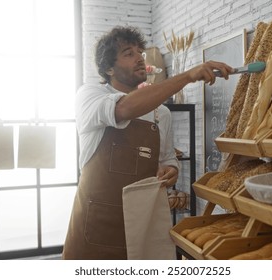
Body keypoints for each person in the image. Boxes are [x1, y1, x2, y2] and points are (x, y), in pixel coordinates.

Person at [62, 25, 233, 260]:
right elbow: (124, 108)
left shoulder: (159, 114)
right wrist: (187, 76)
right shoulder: (90, 95)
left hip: (143, 222)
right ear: (109, 68)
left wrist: (171, 170)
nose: (140, 59)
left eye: (139, 52)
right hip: (97, 224)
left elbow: (168, 159)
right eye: (128, 53)